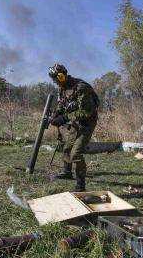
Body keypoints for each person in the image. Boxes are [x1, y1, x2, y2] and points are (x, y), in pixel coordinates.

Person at [48, 64, 99, 192]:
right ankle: (67, 172)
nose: (56, 82)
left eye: (57, 78)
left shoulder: (81, 88)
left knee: (75, 153)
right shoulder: (62, 88)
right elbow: (61, 105)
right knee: (66, 147)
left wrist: (64, 118)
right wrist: (55, 116)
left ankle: (81, 185)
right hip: (75, 121)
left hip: (87, 123)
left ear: (63, 75)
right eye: (54, 79)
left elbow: (87, 112)